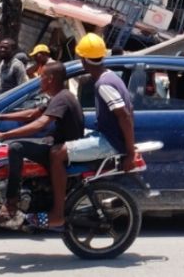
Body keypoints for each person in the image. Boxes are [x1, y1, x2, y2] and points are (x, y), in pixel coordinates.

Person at [48, 33, 136, 230]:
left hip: (110, 142)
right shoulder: (110, 76)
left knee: (56, 154)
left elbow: (124, 116)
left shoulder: (103, 84)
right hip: (107, 136)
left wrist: (130, 152)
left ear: (82, 60)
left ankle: (58, 212)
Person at [0, 61, 85, 230]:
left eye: (41, 76)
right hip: (56, 146)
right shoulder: (59, 96)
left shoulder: (62, 98)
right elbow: (32, 113)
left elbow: (40, 124)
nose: (39, 80)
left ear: (50, 79)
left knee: (16, 148)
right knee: (16, 147)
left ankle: (11, 203)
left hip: (62, 151)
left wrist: (2, 135)